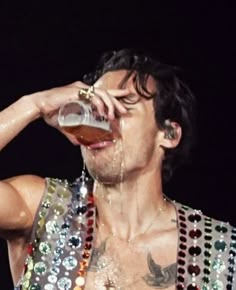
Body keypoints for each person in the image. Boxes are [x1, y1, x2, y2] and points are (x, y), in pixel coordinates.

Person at [0, 49, 235, 290]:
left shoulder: (219, 250)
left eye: (121, 105)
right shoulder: (40, 208)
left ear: (169, 134)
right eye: (93, 105)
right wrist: (33, 104)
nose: (101, 118)